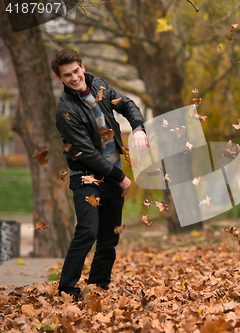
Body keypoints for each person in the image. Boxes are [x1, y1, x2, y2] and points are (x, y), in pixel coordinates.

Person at [51, 48, 148, 301]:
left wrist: (138, 128)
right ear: (60, 79)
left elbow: (126, 104)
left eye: (75, 71)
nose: (74, 77)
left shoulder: (98, 85)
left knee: (109, 235)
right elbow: (86, 154)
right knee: (87, 231)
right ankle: (66, 290)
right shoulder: (65, 110)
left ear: (82, 66)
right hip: (85, 177)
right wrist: (120, 176)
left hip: (113, 174)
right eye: (66, 75)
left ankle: (98, 287)